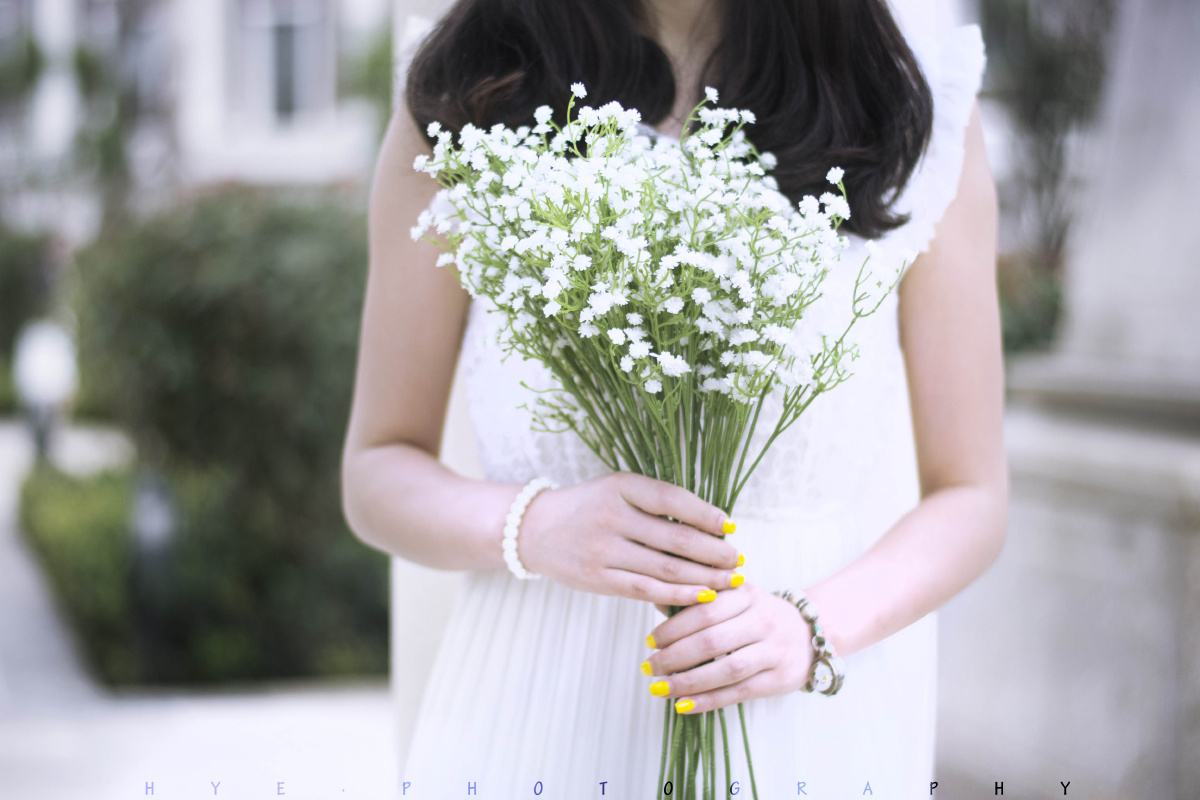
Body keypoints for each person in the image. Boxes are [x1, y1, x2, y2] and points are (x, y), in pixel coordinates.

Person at [341, 0, 1007, 795]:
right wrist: (533, 526)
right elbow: (377, 468)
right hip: (534, 710)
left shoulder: (907, 108)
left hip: (794, 720)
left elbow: (973, 496)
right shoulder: (468, 96)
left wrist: (809, 627)